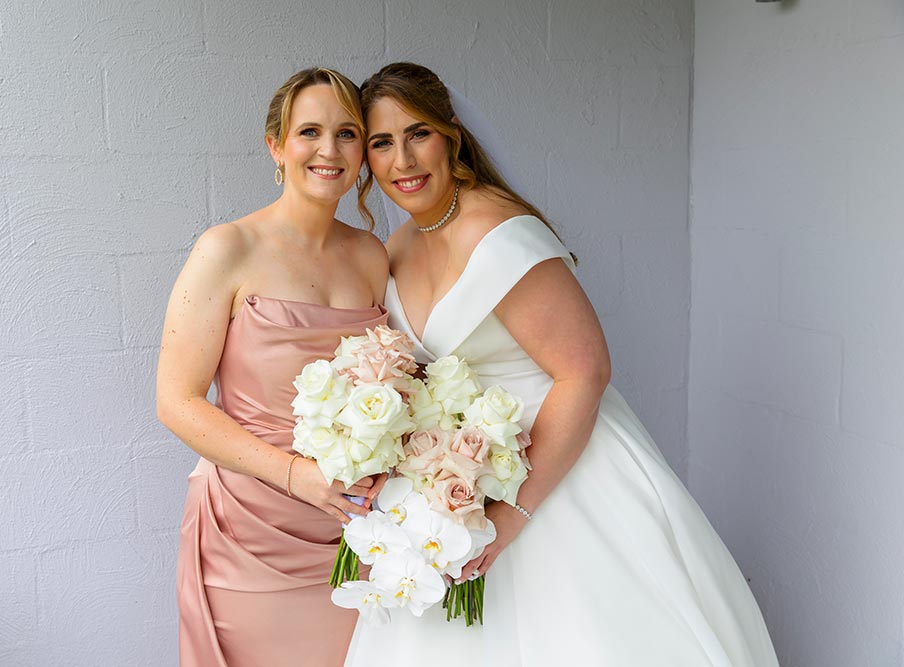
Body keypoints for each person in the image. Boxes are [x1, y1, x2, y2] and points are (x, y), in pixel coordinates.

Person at [345, 62, 779, 667]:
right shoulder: (398, 247)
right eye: (381, 143)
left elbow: (586, 372)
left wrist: (510, 516)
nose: (403, 161)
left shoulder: (501, 233)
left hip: (555, 473)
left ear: (451, 135)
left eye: (417, 133)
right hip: (453, 485)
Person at [156, 67, 390, 667]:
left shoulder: (371, 255)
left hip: (350, 529)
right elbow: (176, 401)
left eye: (347, 133)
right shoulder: (227, 249)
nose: (328, 149)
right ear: (277, 146)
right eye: (309, 131)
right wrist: (295, 476)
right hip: (251, 530)